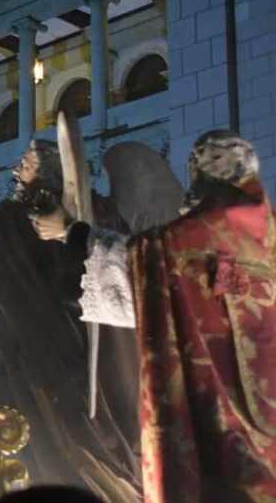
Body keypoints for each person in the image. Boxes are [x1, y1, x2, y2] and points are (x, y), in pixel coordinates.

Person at [35, 130, 276, 502]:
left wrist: (71, 231)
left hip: (212, 424)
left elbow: (140, 272)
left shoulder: (186, 241)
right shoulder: (267, 246)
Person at [0, 139, 142, 501]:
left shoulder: (83, 212)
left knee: (72, 442)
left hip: (75, 359)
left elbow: (128, 267)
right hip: (35, 358)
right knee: (24, 441)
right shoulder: (11, 223)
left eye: (26, 164)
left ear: (51, 172)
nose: (16, 171)